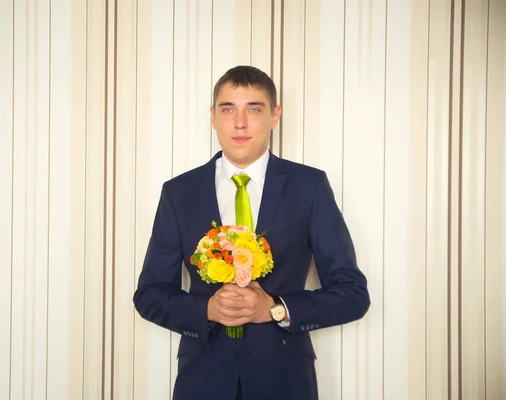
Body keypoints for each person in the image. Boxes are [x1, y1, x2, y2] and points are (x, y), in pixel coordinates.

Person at [133, 65, 370, 400]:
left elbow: (353, 295)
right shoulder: (179, 192)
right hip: (202, 380)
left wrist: (275, 309)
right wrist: (207, 311)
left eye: (254, 109)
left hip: (285, 380)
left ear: (275, 116)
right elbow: (150, 295)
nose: (240, 123)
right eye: (228, 109)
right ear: (213, 116)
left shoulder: (309, 186)